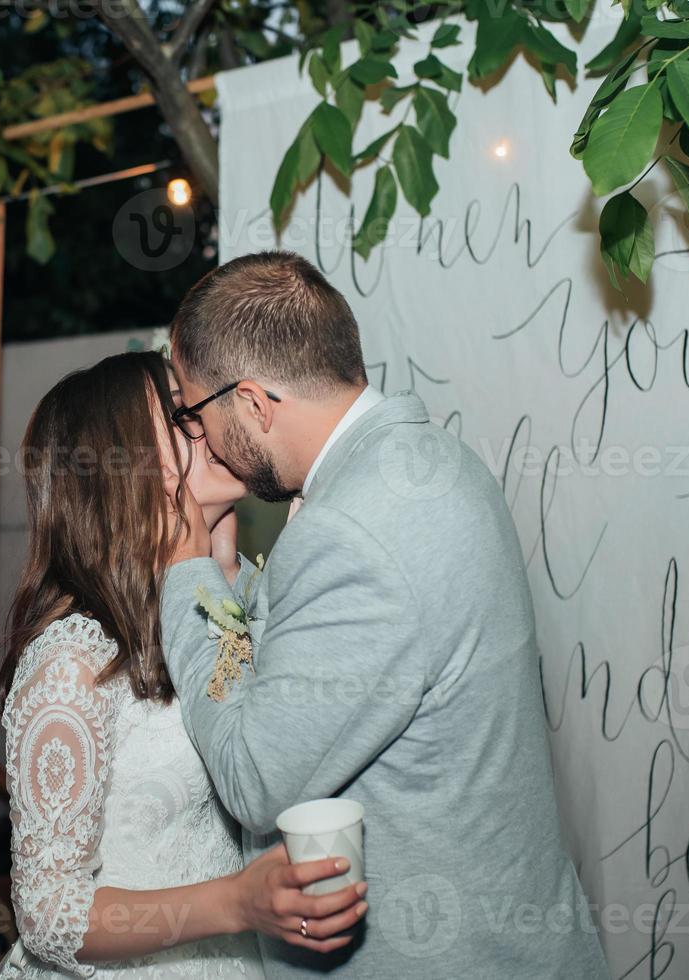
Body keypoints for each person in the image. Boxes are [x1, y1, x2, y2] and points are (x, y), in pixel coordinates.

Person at [160, 251, 612, 978]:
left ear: (253, 402)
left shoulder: (353, 532)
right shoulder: (437, 460)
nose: (200, 437)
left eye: (194, 409)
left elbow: (252, 779)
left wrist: (186, 573)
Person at [0, 351, 369, 979]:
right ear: (121, 466)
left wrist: (217, 580)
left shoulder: (233, 600)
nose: (210, 419)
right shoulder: (72, 660)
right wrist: (235, 903)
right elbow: (50, 912)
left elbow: (250, 740)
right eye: (180, 414)